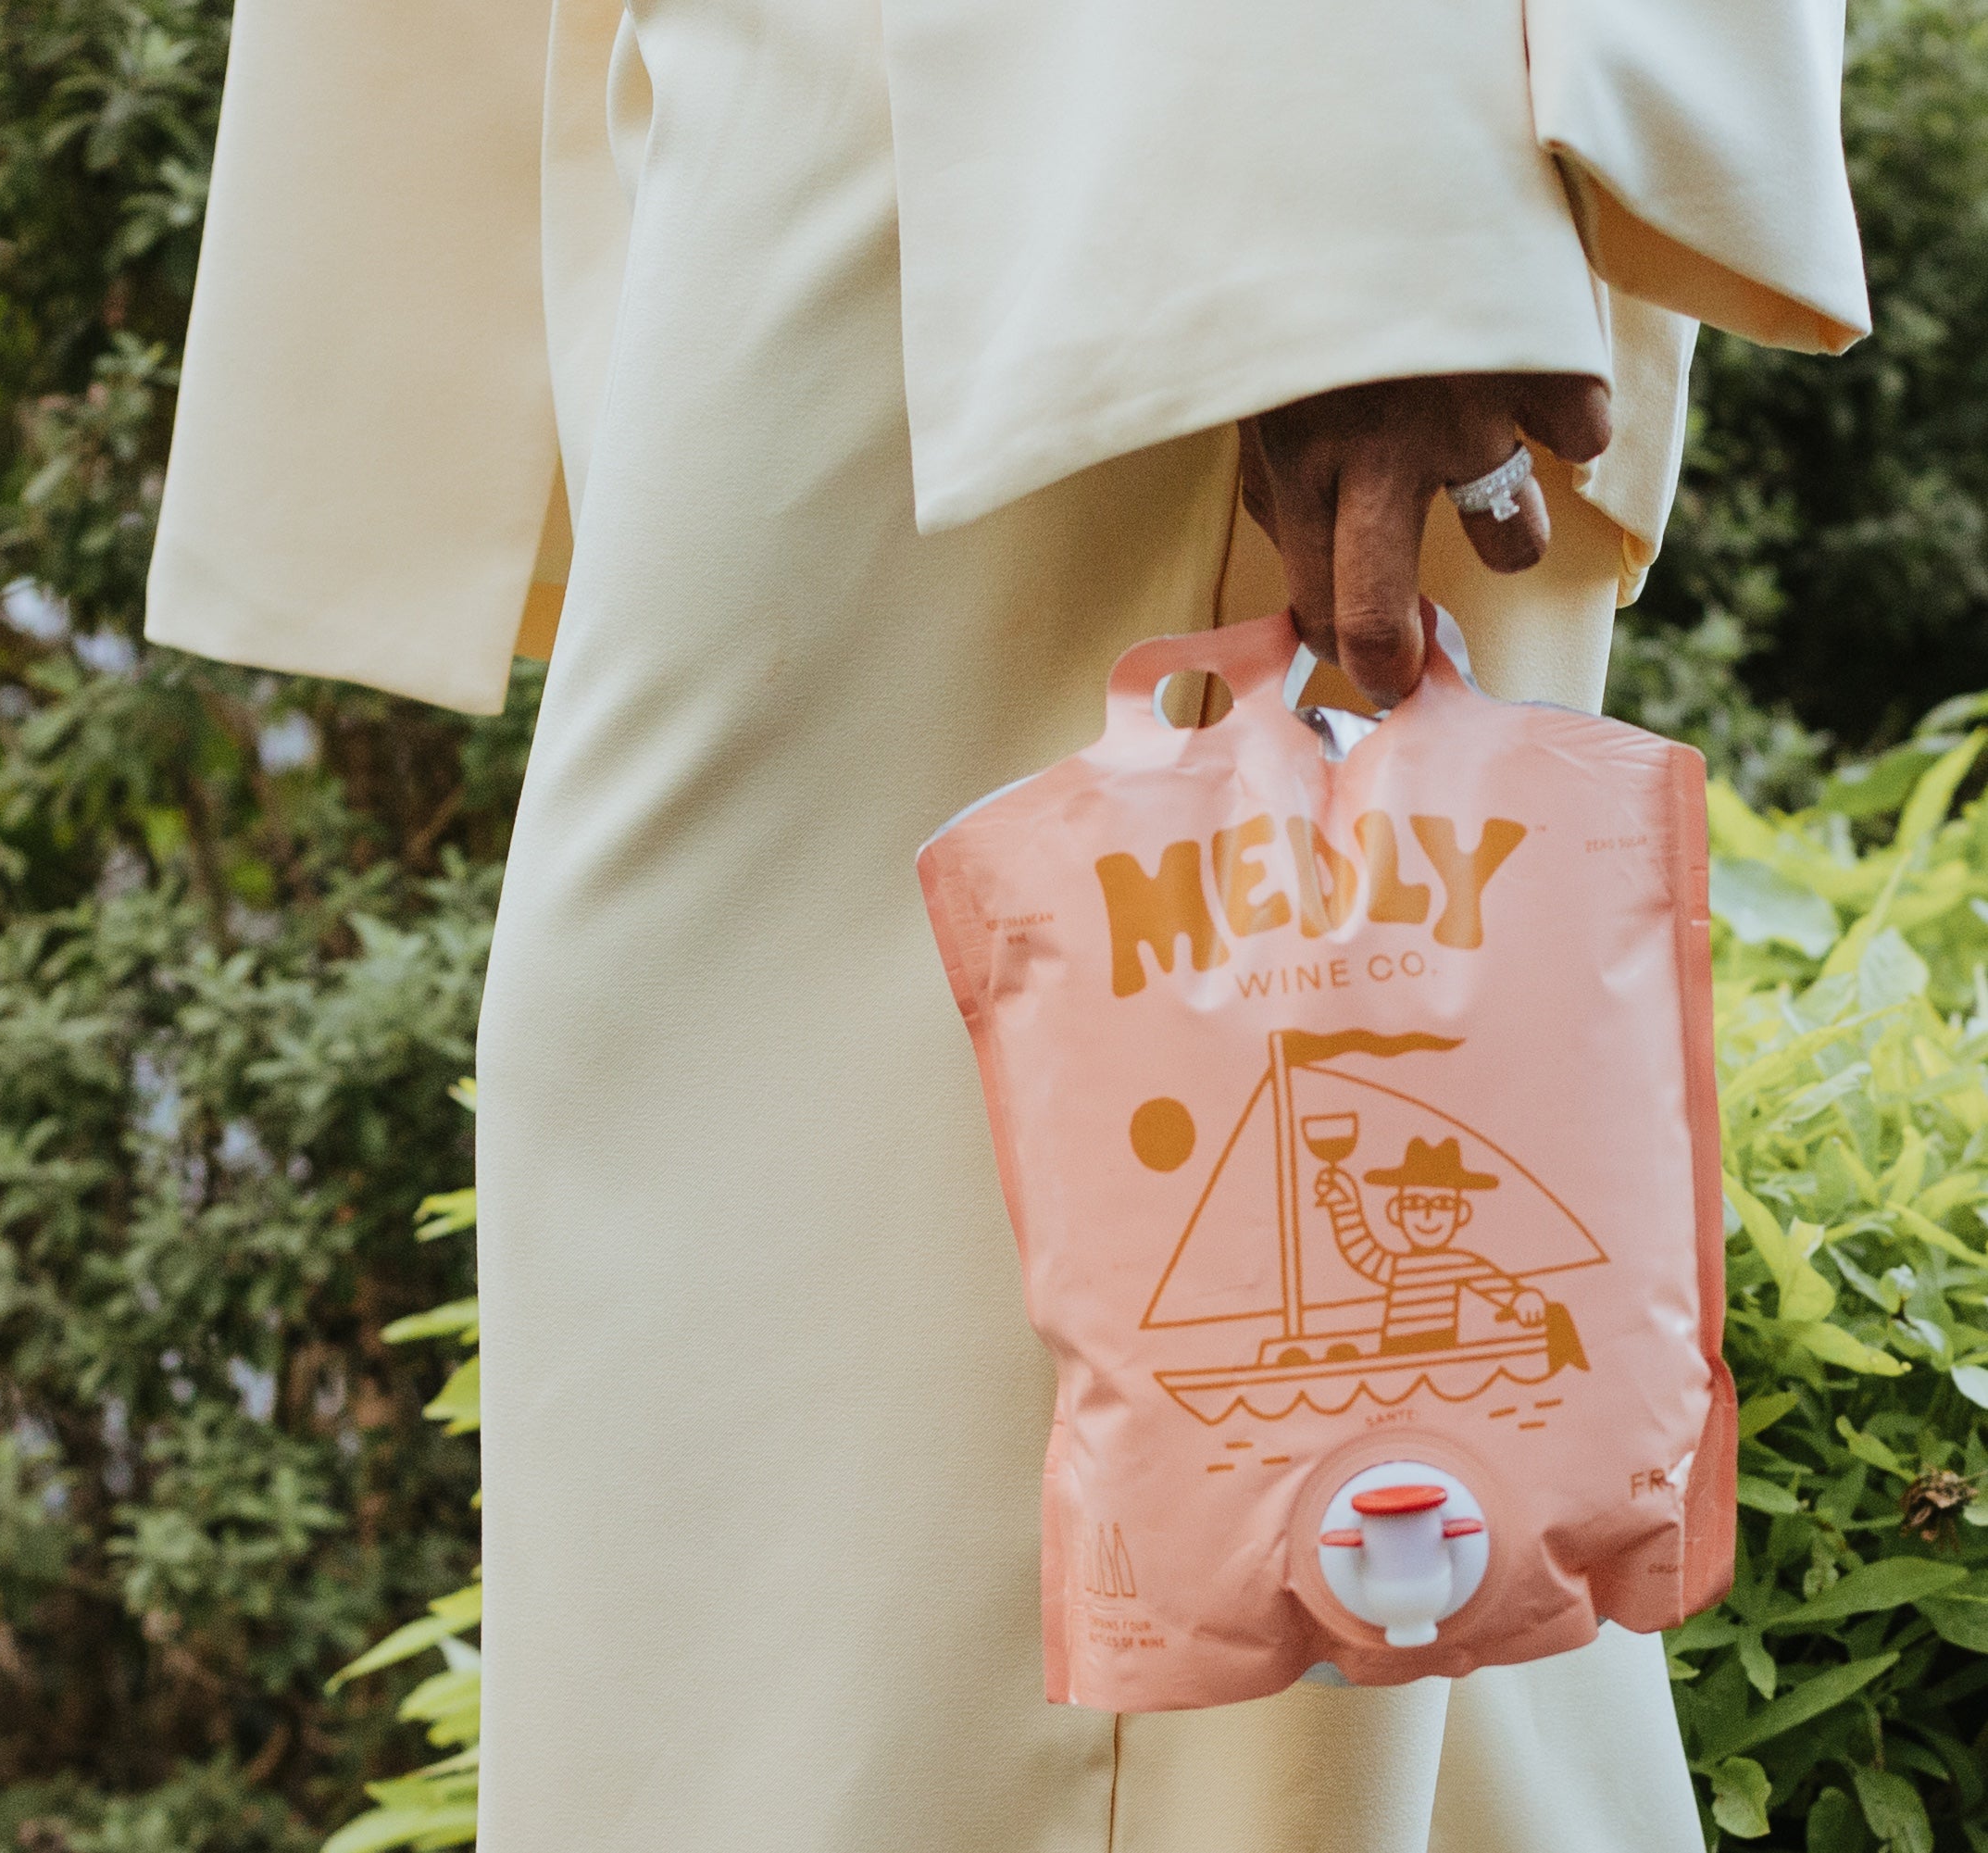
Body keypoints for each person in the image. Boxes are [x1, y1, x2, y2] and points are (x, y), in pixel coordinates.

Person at [140, 2, 1867, 1847]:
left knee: (1202, 1472)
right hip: (941, 120)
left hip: (1170, 138)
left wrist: (1364, 205)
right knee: (975, 1352)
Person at [1319, 1138, 1541, 1354]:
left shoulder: (1457, 1263)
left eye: (1443, 1204)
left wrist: (1521, 1298)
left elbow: (1492, 1283)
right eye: (1414, 1203)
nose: (1428, 1215)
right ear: (1396, 1211)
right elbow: (1362, 1251)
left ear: (1461, 1213)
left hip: (1439, 1352)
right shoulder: (1397, 1266)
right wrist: (1344, 1206)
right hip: (1393, 1350)